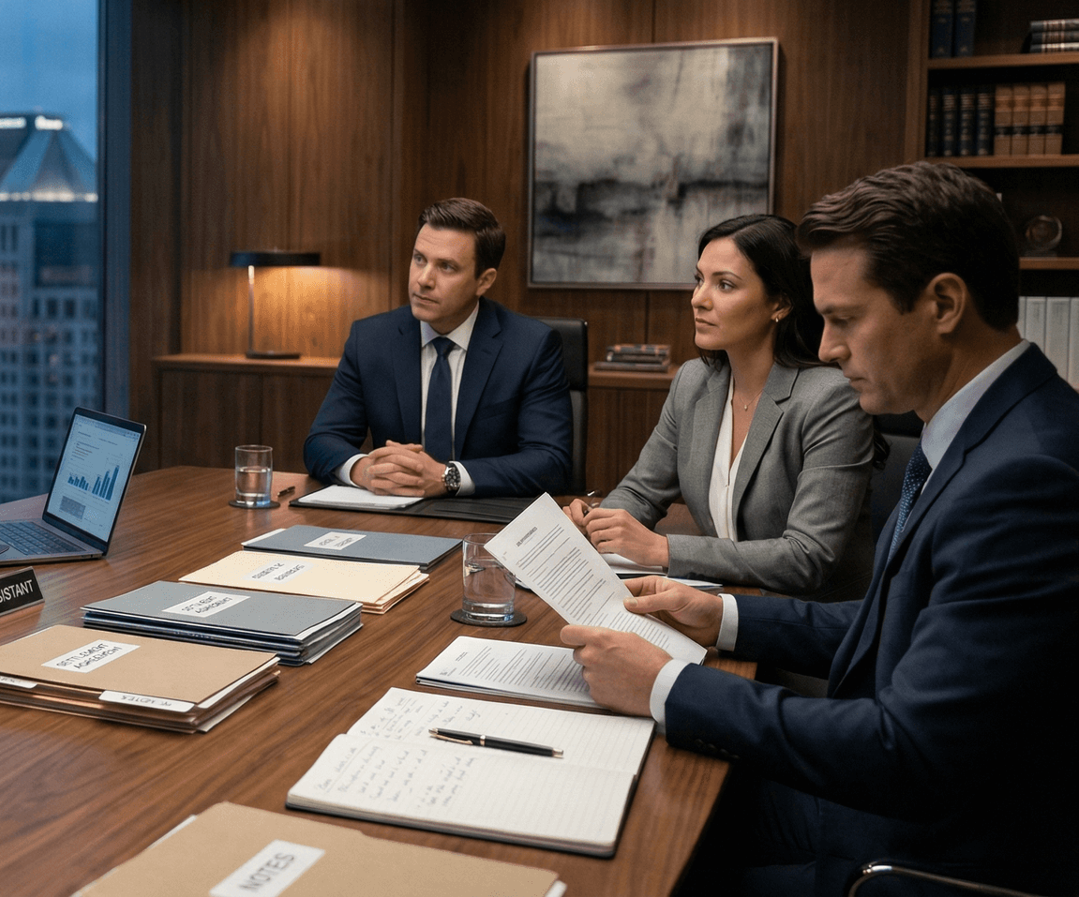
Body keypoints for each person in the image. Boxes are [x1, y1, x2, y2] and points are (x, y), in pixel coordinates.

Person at [561, 162, 1078, 895]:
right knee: (625, 806)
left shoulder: (1027, 476)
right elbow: (889, 624)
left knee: (647, 857)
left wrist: (668, 685)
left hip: (932, 852)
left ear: (943, 303)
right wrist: (722, 616)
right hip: (896, 804)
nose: (829, 347)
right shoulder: (979, 435)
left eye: (843, 318)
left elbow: (908, 749)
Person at [564, 214, 877, 601]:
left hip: (808, 626)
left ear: (779, 303)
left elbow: (806, 557)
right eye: (699, 280)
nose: (698, 299)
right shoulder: (693, 380)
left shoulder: (831, 399)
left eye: (724, 285)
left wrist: (663, 549)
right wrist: (598, 525)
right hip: (720, 601)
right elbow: (642, 493)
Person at [303, 198, 573, 498]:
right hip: (394, 517)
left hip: (486, 523)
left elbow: (551, 462)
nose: (423, 279)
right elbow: (322, 440)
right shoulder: (370, 339)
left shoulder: (530, 346)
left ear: (484, 281)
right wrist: (365, 471)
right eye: (419, 259)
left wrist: (449, 477)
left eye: (446, 267)